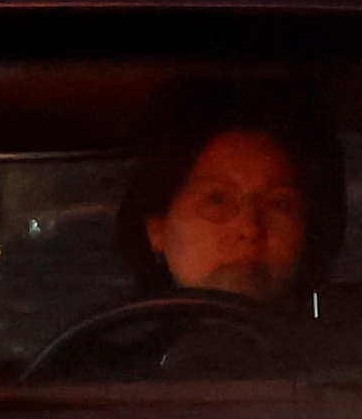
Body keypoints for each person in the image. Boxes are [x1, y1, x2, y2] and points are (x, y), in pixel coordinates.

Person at [115, 78, 344, 308]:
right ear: (157, 228)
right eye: (218, 200)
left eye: (279, 204)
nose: (250, 228)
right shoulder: (112, 339)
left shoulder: (348, 338)